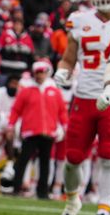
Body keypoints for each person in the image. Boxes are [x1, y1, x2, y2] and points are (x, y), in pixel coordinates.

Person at [57, 0, 110, 215]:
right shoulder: (79, 21)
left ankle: (103, 211)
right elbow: (69, 57)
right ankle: (72, 202)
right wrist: (63, 71)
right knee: (72, 157)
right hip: (83, 96)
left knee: (109, 157)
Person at [7, 61, 68, 199]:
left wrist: (65, 127)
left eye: (42, 72)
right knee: (23, 160)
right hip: (30, 132)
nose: (40, 75)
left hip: (48, 133)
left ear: (47, 73)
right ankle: (16, 188)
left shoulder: (54, 91)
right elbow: (16, 110)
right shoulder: (26, 91)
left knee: (45, 164)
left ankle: (43, 192)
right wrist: (11, 126)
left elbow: (62, 111)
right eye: (38, 72)